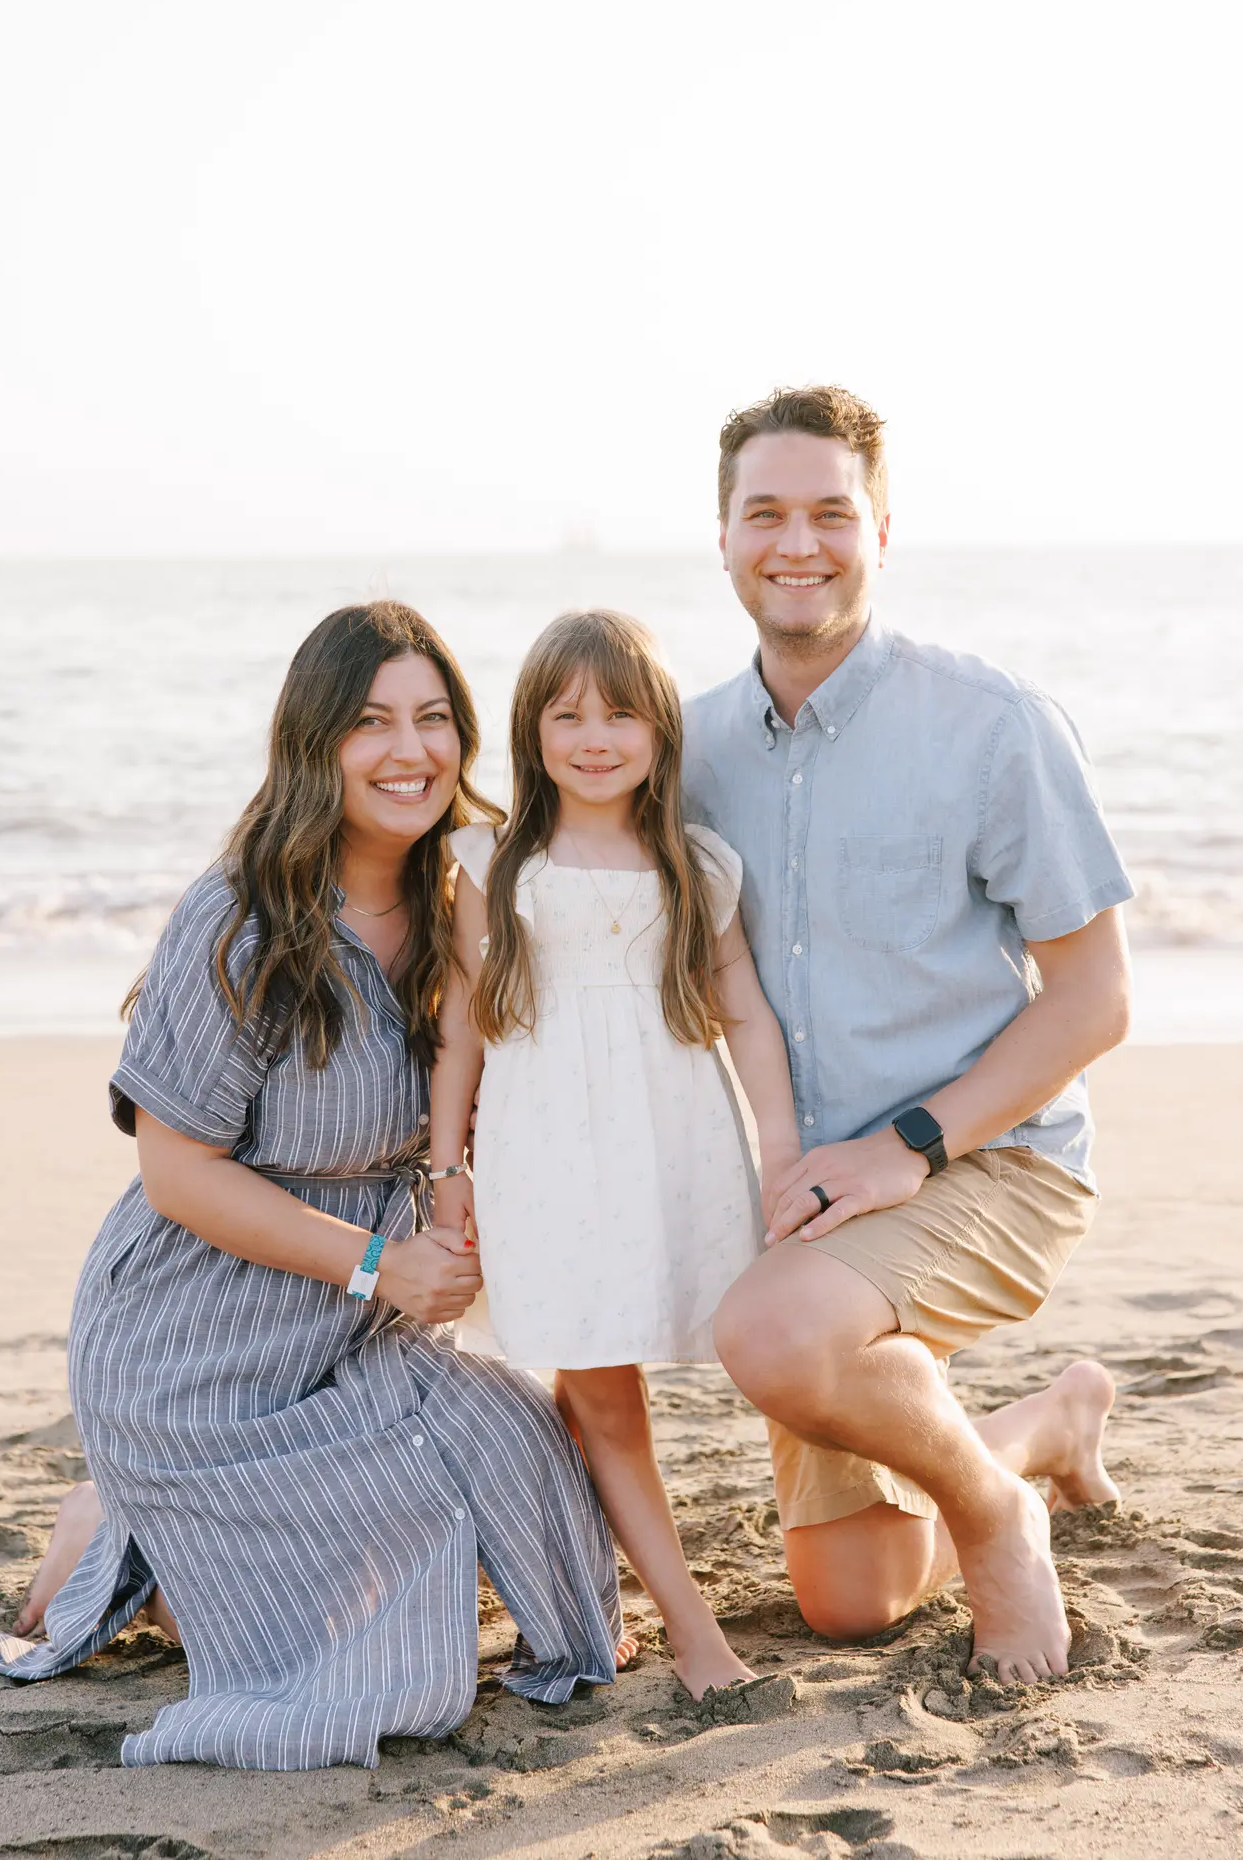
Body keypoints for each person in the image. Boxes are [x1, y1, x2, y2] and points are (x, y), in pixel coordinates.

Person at [0, 601, 624, 1768]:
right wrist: (374, 1259)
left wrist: (461, 1202)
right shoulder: (243, 921)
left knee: (532, 1486)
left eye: (433, 719)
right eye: (370, 723)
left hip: (362, 1334)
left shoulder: (469, 898)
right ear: (314, 744)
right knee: (369, 1665)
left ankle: (140, 1532)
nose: (409, 751)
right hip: (199, 1341)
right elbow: (174, 1169)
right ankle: (116, 1531)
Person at [685, 387, 1134, 1687]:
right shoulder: (690, 749)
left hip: (990, 1164)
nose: (797, 544)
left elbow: (1094, 998)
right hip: (819, 1204)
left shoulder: (989, 725)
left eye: (831, 513)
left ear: (881, 528)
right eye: (763, 513)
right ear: (720, 536)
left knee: (767, 1338)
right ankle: (1044, 1428)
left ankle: (995, 1520)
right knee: (850, 1603)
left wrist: (909, 1144)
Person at [428, 608, 801, 1698]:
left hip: (668, 1152)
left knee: (755, 1354)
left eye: (622, 711)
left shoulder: (695, 864)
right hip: (545, 1164)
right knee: (599, 1388)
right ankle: (692, 1632)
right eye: (567, 711)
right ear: (529, 728)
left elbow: (746, 1019)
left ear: (660, 729)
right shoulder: (491, 863)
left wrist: (778, 1154)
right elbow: (461, 1030)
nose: (595, 735)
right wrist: (449, 1176)